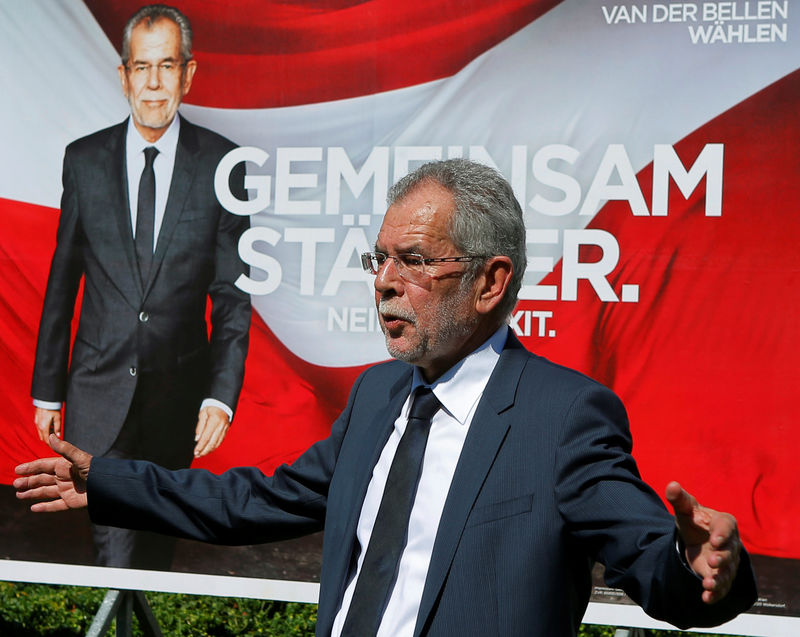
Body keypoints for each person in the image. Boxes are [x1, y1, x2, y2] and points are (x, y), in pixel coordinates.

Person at [17, 159, 755, 636]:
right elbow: (254, 502)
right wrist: (107, 478)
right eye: (379, 259)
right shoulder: (376, 396)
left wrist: (701, 570)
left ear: (491, 281)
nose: (383, 280)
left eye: (414, 260)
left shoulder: (563, 417)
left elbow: (653, 562)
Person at [28, 4, 250, 569]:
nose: (154, 83)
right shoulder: (84, 161)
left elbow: (231, 295)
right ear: (124, 74)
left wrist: (221, 396)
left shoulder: (224, 164)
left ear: (188, 74)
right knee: (114, 548)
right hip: (97, 393)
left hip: (177, 399)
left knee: (155, 552)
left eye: (167, 66)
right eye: (142, 67)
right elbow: (62, 281)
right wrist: (47, 390)